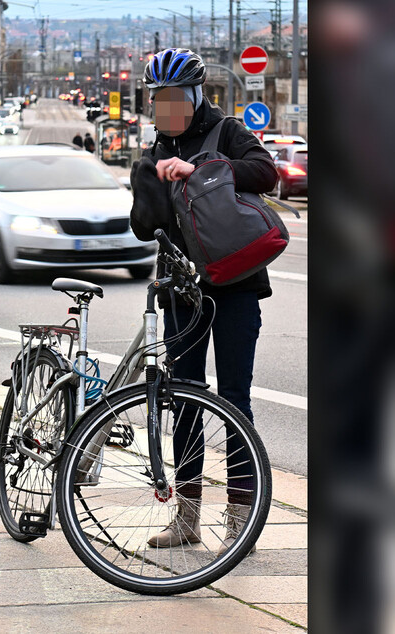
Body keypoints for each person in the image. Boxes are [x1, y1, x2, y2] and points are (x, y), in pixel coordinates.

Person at [128, 48, 278, 552]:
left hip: (236, 286)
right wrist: (146, 181)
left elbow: (265, 172)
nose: (166, 108)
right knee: (185, 399)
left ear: (196, 96)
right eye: (158, 100)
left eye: (175, 98)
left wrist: (199, 170)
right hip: (181, 290)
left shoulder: (227, 132)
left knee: (236, 399)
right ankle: (187, 519)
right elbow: (144, 225)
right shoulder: (152, 149)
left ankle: (240, 520)